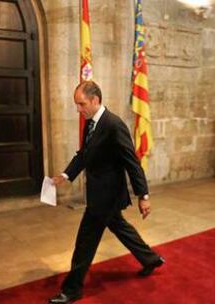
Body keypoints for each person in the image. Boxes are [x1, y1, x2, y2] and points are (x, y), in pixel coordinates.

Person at [49, 81, 164, 304]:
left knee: (85, 242)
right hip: (101, 194)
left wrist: (144, 196)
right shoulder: (90, 124)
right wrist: (65, 176)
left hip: (106, 196)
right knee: (120, 227)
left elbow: (132, 162)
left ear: (95, 100)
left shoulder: (113, 124)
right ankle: (150, 259)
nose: (78, 109)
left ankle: (72, 289)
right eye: (76, 104)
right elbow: (84, 155)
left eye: (81, 104)